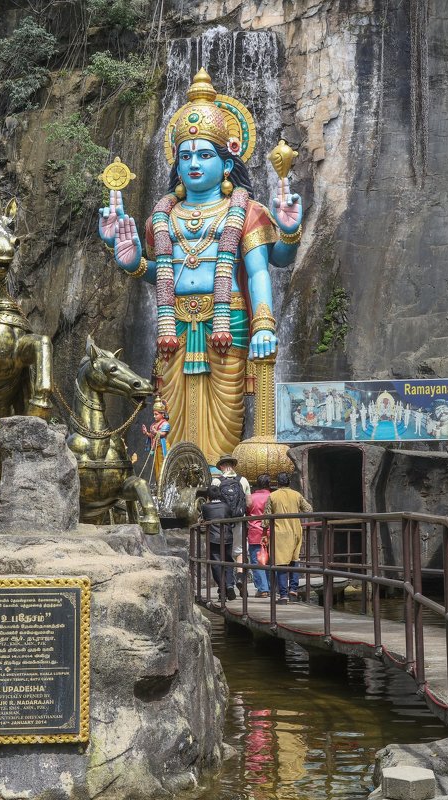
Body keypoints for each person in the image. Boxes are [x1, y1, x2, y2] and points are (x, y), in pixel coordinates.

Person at [98, 68, 304, 464]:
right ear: (175, 164)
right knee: (169, 416)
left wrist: (265, 324)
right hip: (171, 326)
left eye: (205, 154)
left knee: (225, 421)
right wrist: (134, 264)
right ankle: (168, 491)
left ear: (227, 163)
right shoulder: (162, 217)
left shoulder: (246, 211)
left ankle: (220, 488)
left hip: (230, 322)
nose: (194, 163)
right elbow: (160, 274)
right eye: (186, 155)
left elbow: (263, 268)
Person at [266, 471, 312, 603]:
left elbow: (265, 518)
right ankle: (293, 590)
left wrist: (264, 530)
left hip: (280, 533)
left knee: (281, 563)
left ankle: (283, 595)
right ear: (289, 482)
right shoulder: (297, 495)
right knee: (294, 560)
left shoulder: (272, 496)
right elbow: (308, 510)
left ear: (277, 483)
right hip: (296, 531)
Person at [211, 453, 250, 596]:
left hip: (223, 523)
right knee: (239, 551)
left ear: (221, 466)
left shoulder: (217, 482)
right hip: (239, 521)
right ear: (233, 465)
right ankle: (240, 575)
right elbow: (249, 502)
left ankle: (228, 585)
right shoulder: (243, 480)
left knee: (224, 554)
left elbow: (213, 502)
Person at [200, 484, 234, 603]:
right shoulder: (226, 506)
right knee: (229, 561)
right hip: (228, 537)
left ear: (208, 496)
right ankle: (229, 584)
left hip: (213, 538)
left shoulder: (205, 507)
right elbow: (231, 517)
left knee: (216, 563)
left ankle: (222, 588)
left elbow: (204, 519)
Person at [245, 473, 273, 598]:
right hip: (272, 533)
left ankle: (263, 589)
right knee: (270, 560)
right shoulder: (273, 496)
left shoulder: (251, 498)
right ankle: (270, 587)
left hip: (255, 532)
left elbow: (246, 511)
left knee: (258, 561)